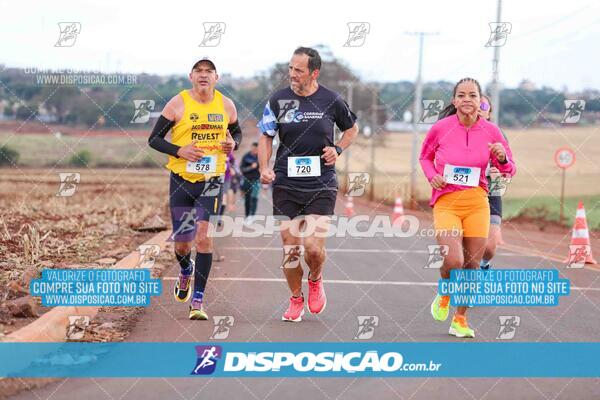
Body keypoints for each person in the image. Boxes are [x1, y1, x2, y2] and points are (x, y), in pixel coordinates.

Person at [257, 47, 358, 322]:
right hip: (286, 183)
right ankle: (295, 298)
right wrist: (264, 167)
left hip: (321, 183)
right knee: (291, 250)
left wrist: (338, 149)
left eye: (298, 70)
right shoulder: (278, 100)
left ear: (314, 73)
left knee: (313, 248)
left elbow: (351, 128)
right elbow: (266, 135)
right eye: (290, 68)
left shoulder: (331, 100)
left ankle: (315, 278)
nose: (292, 74)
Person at [420, 77, 516, 337]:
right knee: (453, 260)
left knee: (473, 265)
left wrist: (502, 158)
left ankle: (459, 320)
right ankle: (444, 291)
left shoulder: (492, 131)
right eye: (461, 95)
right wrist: (432, 177)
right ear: (454, 101)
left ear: (480, 100)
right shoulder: (440, 128)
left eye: (472, 95)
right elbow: (425, 157)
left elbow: (509, 169)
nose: (467, 100)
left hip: (477, 203)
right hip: (447, 202)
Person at [148, 57, 242, 320]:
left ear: (216, 78)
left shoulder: (226, 105)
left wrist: (233, 144)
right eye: (198, 71)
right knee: (181, 245)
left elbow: (237, 134)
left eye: (208, 71)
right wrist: (180, 150)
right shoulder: (177, 103)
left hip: (212, 179)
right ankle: (185, 269)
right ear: (191, 77)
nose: (204, 75)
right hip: (181, 178)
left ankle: (198, 300)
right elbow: (154, 139)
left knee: (204, 237)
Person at [478, 95, 507, 271]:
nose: (479, 107)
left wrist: (501, 172)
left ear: (489, 113)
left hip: (490, 194)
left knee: (490, 246)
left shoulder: (496, 134)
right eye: (476, 103)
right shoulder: (457, 131)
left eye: (484, 105)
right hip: (464, 194)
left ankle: (484, 265)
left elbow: (508, 166)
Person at [240, 142, 261, 224]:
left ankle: (252, 216)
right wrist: (251, 167)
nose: (254, 150)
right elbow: (242, 169)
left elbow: (263, 168)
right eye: (253, 148)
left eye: (256, 149)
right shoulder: (246, 156)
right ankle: (247, 215)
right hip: (246, 180)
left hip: (256, 180)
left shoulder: (260, 157)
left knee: (254, 197)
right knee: (247, 199)